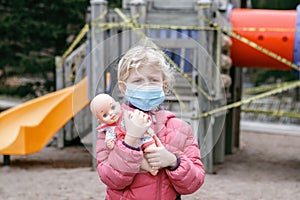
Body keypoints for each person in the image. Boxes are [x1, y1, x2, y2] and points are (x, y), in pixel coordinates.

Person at [95, 45, 205, 200]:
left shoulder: (179, 128)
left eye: (153, 80)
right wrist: (131, 140)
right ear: (123, 87)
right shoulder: (112, 128)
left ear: (163, 85)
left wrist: (174, 161)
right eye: (138, 80)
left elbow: (194, 183)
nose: (146, 85)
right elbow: (112, 179)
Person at [90, 93, 159, 175]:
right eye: (105, 115)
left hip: (143, 138)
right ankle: (150, 169)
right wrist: (110, 141)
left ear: (118, 105)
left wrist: (144, 123)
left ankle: (157, 162)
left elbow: (140, 119)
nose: (111, 114)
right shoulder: (109, 128)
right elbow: (110, 136)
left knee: (151, 148)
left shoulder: (127, 114)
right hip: (130, 146)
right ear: (100, 121)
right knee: (138, 160)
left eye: (112, 108)